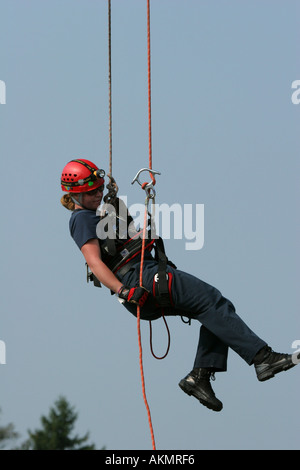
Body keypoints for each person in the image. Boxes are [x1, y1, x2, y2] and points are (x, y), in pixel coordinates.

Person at [60, 158, 299, 412]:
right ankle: (263, 359)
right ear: (75, 194)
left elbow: (115, 250)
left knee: (214, 309)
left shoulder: (96, 214)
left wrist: (138, 237)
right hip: (138, 281)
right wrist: (123, 290)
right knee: (211, 299)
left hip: (143, 277)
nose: (98, 194)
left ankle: (200, 377)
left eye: (99, 188)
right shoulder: (82, 219)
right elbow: (95, 263)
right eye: (91, 191)